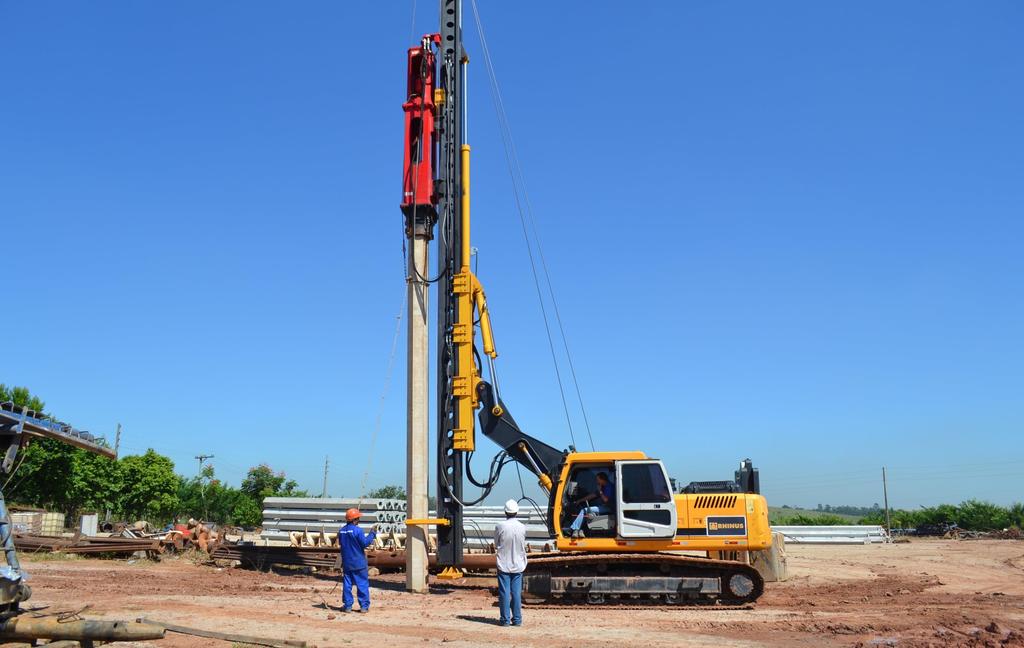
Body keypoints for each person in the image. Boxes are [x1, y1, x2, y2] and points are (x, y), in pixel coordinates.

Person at [494, 499, 527, 627]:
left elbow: (496, 543)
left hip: (504, 564)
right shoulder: (522, 527)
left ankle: (505, 620)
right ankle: (517, 620)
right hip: (518, 564)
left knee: (504, 593)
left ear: (505, 512)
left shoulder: (500, 526)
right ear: (517, 512)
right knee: (516, 593)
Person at [338, 508, 377, 613]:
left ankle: (347, 606)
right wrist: (372, 533)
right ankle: (364, 607)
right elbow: (365, 543)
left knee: (347, 584)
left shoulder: (341, 531)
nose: (359, 520)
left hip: (347, 562)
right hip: (359, 562)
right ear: (355, 519)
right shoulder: (358, 530)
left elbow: (342, 545)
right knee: (362, 584)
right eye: (358, 518)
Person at [568, 471, 614, 538]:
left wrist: (600, 491)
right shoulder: (603, 486)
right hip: (604, 506)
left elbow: (606, 500)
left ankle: (573, 528)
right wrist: (579, 501)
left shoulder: (609, 487)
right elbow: (592, 495)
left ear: (602, 479)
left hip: (609, 508)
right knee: (585, 511)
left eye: (597, 479)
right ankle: (580, 529)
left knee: (584, 510)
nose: (596, 481)